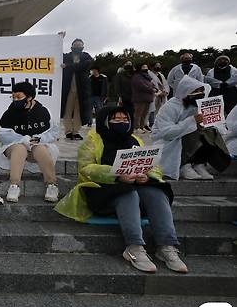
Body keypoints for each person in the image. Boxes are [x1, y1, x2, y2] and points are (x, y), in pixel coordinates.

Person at [55, 106, 187, 273]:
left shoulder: (136, 140)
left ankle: (167, 246)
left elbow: (154, 166)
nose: (121, 123)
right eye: (116, 120)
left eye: (125, 120)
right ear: (105, 121)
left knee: (157, 192)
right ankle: (134, 247)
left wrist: (146, 175)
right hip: (103, 192)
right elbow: (86, 168)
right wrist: (116, 175)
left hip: (135, 187)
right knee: (127, 193)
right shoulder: (93, 140)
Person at [152, 76, 231, 180]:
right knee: (194, 132)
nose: (200, 94)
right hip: (168, 141)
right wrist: (192, 121)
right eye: (196, 91)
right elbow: (166, 133)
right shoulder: (170, 107)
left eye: (201, 91)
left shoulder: (197, 106)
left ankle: (199, 164)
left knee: (210, 132)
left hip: (190, 139)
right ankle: (185, 165)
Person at [0, 82, 60, 203]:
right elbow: (2, 133)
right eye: (13, 97)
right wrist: (22, 139)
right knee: (20, 148)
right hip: (14, 148)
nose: (15, 100)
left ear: (30, 97)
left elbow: (53, 132)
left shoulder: (43, 112)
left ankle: (52, 185)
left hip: (35, 149)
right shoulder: (9, 113)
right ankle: (14, 185)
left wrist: (39, 139)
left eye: (19, 97)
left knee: (40, 148)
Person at [61, 38, 93, 139]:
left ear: (83, 47)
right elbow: (56, 53)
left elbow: (85, 65)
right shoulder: (66, 56)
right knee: (67, 110)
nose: (77, 47)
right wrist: (59, 39)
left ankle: (76, 131)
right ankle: (68, 131)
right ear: (72, 46)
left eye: (80, 46)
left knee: (79, 110)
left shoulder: (86, 56)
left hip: (82, 88)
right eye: (76, 45)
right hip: (68, 88)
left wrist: (68, 66)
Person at [131, 63, 157, 133]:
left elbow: (152, 84)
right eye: (144, 67)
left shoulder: (147, 77)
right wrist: (152, 89)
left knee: (144, 114)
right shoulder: (136, 76)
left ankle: (142, 127)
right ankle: (137, 127)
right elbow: (141, 86)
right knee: (138, 113)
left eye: (146, 67)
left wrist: (154, 88)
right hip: (140, 98)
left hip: (147, 98)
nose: (146, 68)